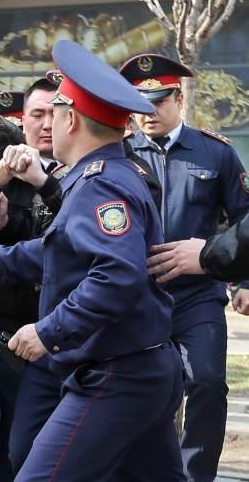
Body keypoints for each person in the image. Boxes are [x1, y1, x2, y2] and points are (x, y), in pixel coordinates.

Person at [0, 40, 184, 480]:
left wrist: (49, 330)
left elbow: (115, 276)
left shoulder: (101, 184)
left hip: (115, 372)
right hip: (138, 365)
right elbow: (54, 251)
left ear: (71, 118)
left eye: (56, 110)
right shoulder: (99, 177)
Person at [119, 53, 249, 482]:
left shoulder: (215, 153)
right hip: (134, 297)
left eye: (157, 101)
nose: (148, 113)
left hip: (197, 295)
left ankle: (196, 477)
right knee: (141, 393)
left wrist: (244, 281)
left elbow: (242, 219)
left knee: (208, 384)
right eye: (140, 104)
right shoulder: (118, 153)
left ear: (178, 98)